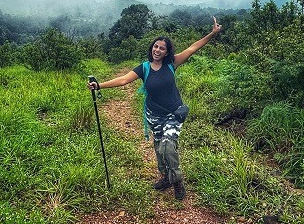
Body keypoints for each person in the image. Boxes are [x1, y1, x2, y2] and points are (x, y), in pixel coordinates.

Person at [88, 17, 222, 200]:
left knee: (168, 146)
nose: (158, 50)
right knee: (159, 147)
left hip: (173, 113)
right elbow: (123, 80)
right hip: (154, 115)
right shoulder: (144, 68)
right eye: (156, 46)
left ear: (167, 52)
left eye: (162, 48)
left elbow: (193, 48)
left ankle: (177, 181)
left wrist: (213, 34)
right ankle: (165, 176)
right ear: (152, 48)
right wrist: (99, 85)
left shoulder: (171, 63)